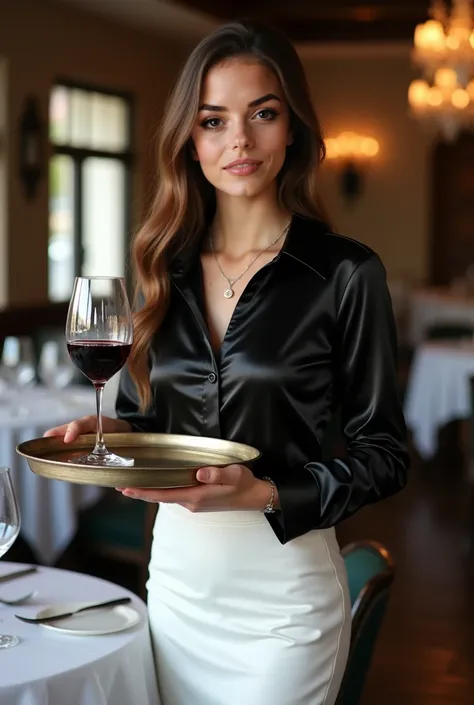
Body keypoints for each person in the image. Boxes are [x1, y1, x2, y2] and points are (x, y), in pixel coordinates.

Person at [46, 19, 409, 705]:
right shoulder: (159, 271)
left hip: (286, 603)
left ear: (293, 127)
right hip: (179, 587)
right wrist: (109, 438)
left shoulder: (346, 273)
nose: (238, 141)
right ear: (190, 138)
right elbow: (141, 421)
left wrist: (265, 491)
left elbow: (385, 453)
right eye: (213, 120)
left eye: (262, 114)